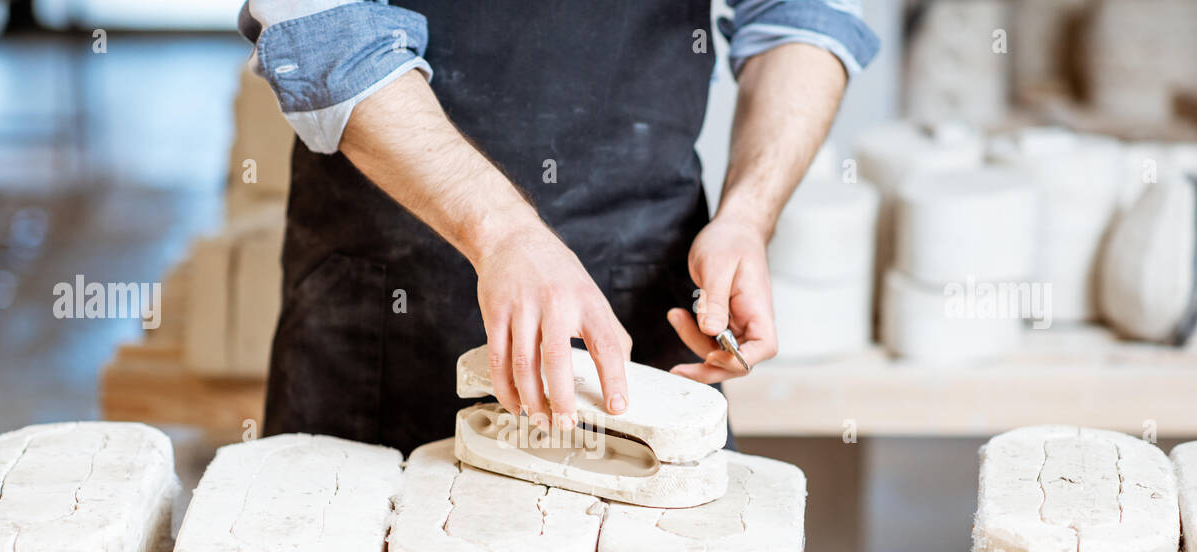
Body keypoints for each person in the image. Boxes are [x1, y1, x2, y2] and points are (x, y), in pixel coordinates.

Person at [239, 0, 878, 452]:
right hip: (387, 285)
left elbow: (802, 13)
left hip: (646, 277)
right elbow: (324, 31)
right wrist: (502, 231)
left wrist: (747, 215)